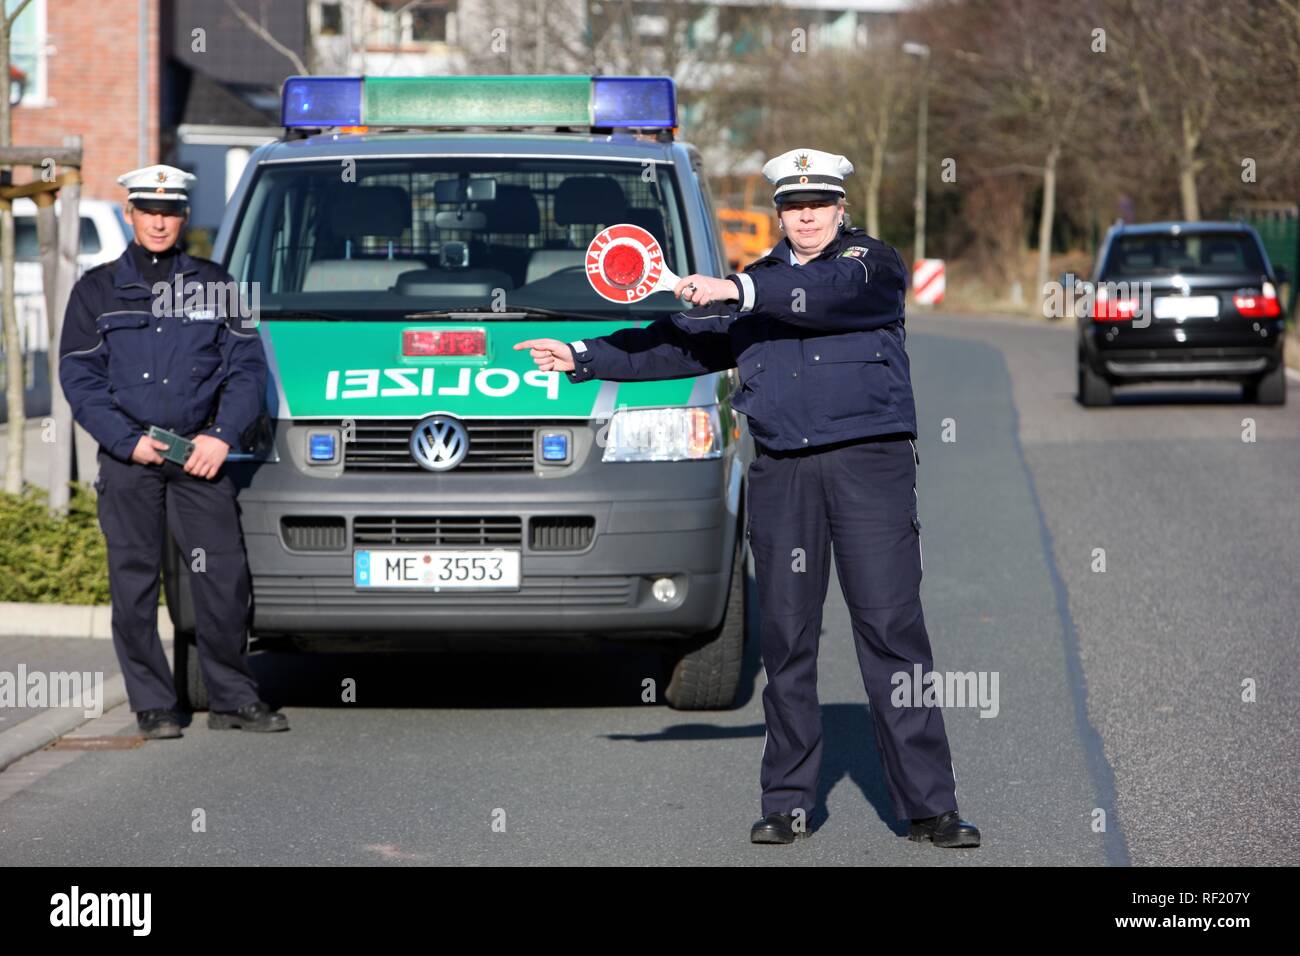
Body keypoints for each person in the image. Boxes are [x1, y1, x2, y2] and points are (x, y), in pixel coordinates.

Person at [515, 148, 979, 847]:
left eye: (819, 202)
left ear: (841, 207)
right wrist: (585, 357)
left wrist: (736, 293)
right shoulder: (754, 283)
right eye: (794, 205)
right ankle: (788, 803)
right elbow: (679, 345)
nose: (809, 215)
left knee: (891, 633)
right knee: (787, 641)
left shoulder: (870, 266)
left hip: (867, 467)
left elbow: (824, 300)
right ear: (780, 215)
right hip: (783, 473)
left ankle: (930, 807)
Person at [58, 164, 287, 737]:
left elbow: (246, 369)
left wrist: (221, 436)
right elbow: (79, 376)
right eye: (148, 211)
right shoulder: (96, 290)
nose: (159, 222)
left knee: (223, 579)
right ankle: (154, 705)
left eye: (170, 212)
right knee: (134, 584)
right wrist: (123, 440)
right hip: (130, 458)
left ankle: (232, 699)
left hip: (197, 455)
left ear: (183, 217)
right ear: (131, 214)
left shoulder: (218, 286)